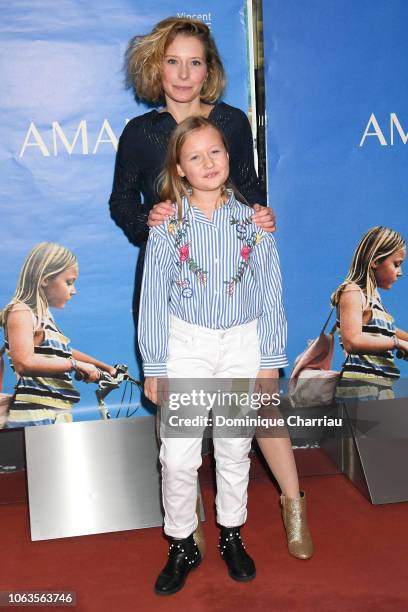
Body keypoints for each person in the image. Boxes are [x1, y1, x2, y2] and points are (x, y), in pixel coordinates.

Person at [138, 116, 311, 596]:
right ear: (180, 167)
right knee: (177, 457)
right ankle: (181, 543)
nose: (208, 163)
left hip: (242, 345)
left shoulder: (255, 222)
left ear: (229, 157)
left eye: (215, 152)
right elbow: (153, 298)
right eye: (195, 157)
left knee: (234, 448)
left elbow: (269, 296)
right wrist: (155, 365)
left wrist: (268, 359)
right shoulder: (166, 226)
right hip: (186, 347)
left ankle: (232, 534)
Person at [109, 17, 275, 333]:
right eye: (173, 61)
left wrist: (259, 215)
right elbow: (122, 200)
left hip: (232, 278)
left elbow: (249, 186)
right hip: (167, 279)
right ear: (158, 68)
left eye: (194, 62)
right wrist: (147, 220)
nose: (184, 74)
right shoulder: (139, 133)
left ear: (208, 70)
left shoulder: (233, 123)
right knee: (170, 378)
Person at [0, 243, 116, 427]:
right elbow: (24, 362)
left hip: (57, 413)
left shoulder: (44, 318)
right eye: (69, 282)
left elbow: (64, 352)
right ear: (45, 279)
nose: (74, 290)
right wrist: (75, 365)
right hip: (35, 415)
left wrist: (106, 368)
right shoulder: (20, 312)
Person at [332, 226, 408, 402]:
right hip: (360, 392)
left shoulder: (373, 300)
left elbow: (390, 332)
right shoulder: (352, 292)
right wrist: (396, 344)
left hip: (378, 390)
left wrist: (401, 341)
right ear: (375, 261)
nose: (400, 272)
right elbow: (352, 341)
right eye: (396, 264)